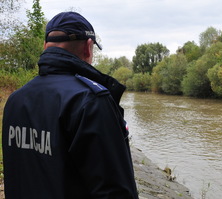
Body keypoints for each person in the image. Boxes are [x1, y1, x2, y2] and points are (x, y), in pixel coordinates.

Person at [2, 12, 139, 199]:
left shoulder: (16, 99)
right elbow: (116, 191)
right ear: (88, 48)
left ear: (45, 47)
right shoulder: (91, 101)